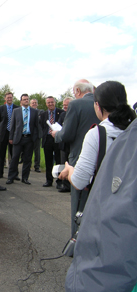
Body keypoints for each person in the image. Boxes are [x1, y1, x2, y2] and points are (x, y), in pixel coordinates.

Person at [65, 118, 137, 292]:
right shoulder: (128, 133)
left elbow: (79, 180)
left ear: (98, 105)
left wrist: (69, 171)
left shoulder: (102, 134)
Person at [59, 81, 135, 191]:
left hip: (107, 200)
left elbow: (79, 181)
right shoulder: (132, 129)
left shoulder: (97, 134)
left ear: (98, 105)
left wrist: (70, 169)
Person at [51, 79, 100, 236]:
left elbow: (67, 134)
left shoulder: (75, 105)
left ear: (78, 91)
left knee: (79, 203)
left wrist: (56, 134)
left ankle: (76, 240)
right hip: (103, 159)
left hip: (79, 158)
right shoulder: (102, 103)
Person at [6, 94, 39, 185]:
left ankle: (25, 178)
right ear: (21, 101)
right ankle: (11, 177)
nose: (26, 101)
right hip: (18, 138)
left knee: (27, 159)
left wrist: (35, 137)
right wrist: (11, 137)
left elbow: (36, 126)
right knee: (15, 158)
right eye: (24, 99)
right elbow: (12, 125)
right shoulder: (16, 111)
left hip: (29, 138)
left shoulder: (34, 112)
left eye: (27, 99)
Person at [40, 96, 64, 188]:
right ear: (46, 104)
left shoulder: (61, 113)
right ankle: (49, 180)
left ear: (55, 102)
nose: (50, 104)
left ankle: (59, 181)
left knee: (59, 160)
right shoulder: (43, 114)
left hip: (58, 139)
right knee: (48, 161)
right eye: (48, 102)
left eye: (52, 102)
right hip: (48, 139)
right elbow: (42, 126)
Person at [0, 91, 19, 177]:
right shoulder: (0, 108)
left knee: (14, 155)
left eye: (10, 97)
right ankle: (0, 173)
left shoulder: (17, 109)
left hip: (13, 134)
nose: (9, 99)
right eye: (8, 98)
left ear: (12, 98)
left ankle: (14, 174)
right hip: (3, 134)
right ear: (5, 99)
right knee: (1, 155)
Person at [57, 97, 73, 192]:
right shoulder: (62, 114)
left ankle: (72, 185)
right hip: (64, 144)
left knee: (72, 164)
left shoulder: (74, 114)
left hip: (72, 144)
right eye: (64, 105)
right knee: (64, 164)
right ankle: (65, 185)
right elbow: (58, 125)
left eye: (66, 105)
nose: (65, 107)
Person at [29, 99, 43, 173]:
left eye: (35, 103)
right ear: (30, 104)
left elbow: (40, 120)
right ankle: (29, 165)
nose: (34, 104)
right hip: (29, 134)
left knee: (37, 151)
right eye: (32, 103)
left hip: (37, 134)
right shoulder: (28, 111)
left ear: (37, 104)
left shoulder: (41, 112)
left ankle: (37, 166)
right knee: (28, 151)